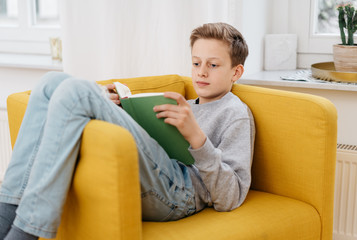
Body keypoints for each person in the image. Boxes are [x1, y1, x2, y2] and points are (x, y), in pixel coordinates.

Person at [0, 22, 255, 240]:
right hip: (155, 176)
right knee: (51, 82)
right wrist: (117, 109)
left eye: (213, 65)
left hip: (182, 195)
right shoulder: (184, 105)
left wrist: (197, 138)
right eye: (196, 62)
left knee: (76, 92)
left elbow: (230, 197)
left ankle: (26, 231)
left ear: (236, 71)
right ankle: (5, 215)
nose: (201, 72)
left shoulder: (235, 113)